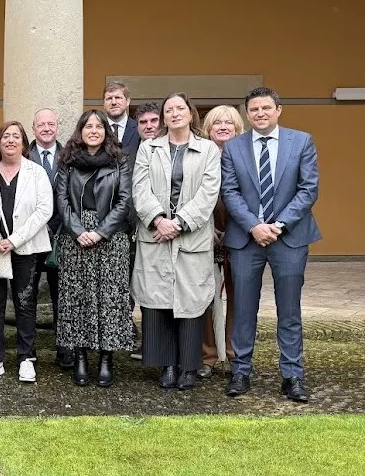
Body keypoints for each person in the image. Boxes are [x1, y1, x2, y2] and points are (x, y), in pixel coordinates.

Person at [221, 87, 321, 402]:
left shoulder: (301, 141)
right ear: (247, 114)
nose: (261, 114)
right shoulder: (233, 147)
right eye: (254, 109)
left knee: (289, 310)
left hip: (289, 238)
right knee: (244, 309)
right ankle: (241, 371)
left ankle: (292, 376)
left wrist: (277, 225)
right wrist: (254, 226)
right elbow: (230, 191)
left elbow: (308, 189)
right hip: (246, 239)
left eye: (266, 108)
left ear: (278, 110)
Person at [132, 93, 220, 391]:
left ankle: (188, 367)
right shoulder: (148, 148)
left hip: (191, 238)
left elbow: (209, 192)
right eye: (168, 110)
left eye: (179, 108)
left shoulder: (208, 149)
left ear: (190, 113)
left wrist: (179, 222)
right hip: (155, 236)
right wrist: (158, 219)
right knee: (158, 303)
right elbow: (140, 189)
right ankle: (167, 365)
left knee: (190, 304)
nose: (174, 113)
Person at [55, 110, 134, 388]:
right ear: (80, 130)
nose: (93, 130)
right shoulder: (67, 160)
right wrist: (78, 231)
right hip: (75, 235)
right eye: (88, 126)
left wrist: (100, 232)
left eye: (98, 126)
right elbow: (61, 199)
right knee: (77, 298)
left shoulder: (119, 160)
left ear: (106, 132)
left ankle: (105, 359)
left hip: (110, 236)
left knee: (109, 298)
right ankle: (79, 357)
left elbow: (125, 200)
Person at [0, 122, 52, 383]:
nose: (10, 140)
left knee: (25, 303)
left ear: (24, 142)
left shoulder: (37, 172)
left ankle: (26, 358)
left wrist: (15, 240)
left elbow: (45, 210)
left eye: (16, 136)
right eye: (5, 137)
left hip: (27, 248)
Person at [199, 104, 244, 378]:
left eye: (230, 123)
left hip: (240, 236)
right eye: (217, 123)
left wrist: (237, 229)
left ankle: (234, 353)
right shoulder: (202, 157)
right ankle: (208, 356)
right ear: (208, 129)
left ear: (239, 129)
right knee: (205, 298)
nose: (224, 127)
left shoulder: (246, 157)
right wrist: (207, 229)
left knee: (239, 299)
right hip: (205, 237)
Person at [28, 108, 72, 368]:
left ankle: (64, 348)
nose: (46, 128)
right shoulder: (24, 155)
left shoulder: (70, 156)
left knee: (62, 295)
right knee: (28, 294)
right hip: (31, 236)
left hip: (62, 234)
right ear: (33, 129)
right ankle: (28, 349)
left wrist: (59, 226)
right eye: (41, 124)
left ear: (57, 128)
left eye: (51, 124)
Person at [103, 81, 140, 154]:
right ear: (103, 104)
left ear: (128, 101)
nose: (113, 102)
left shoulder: (139, 129)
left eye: (118, 97)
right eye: (109, 98)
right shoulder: (96, 130)